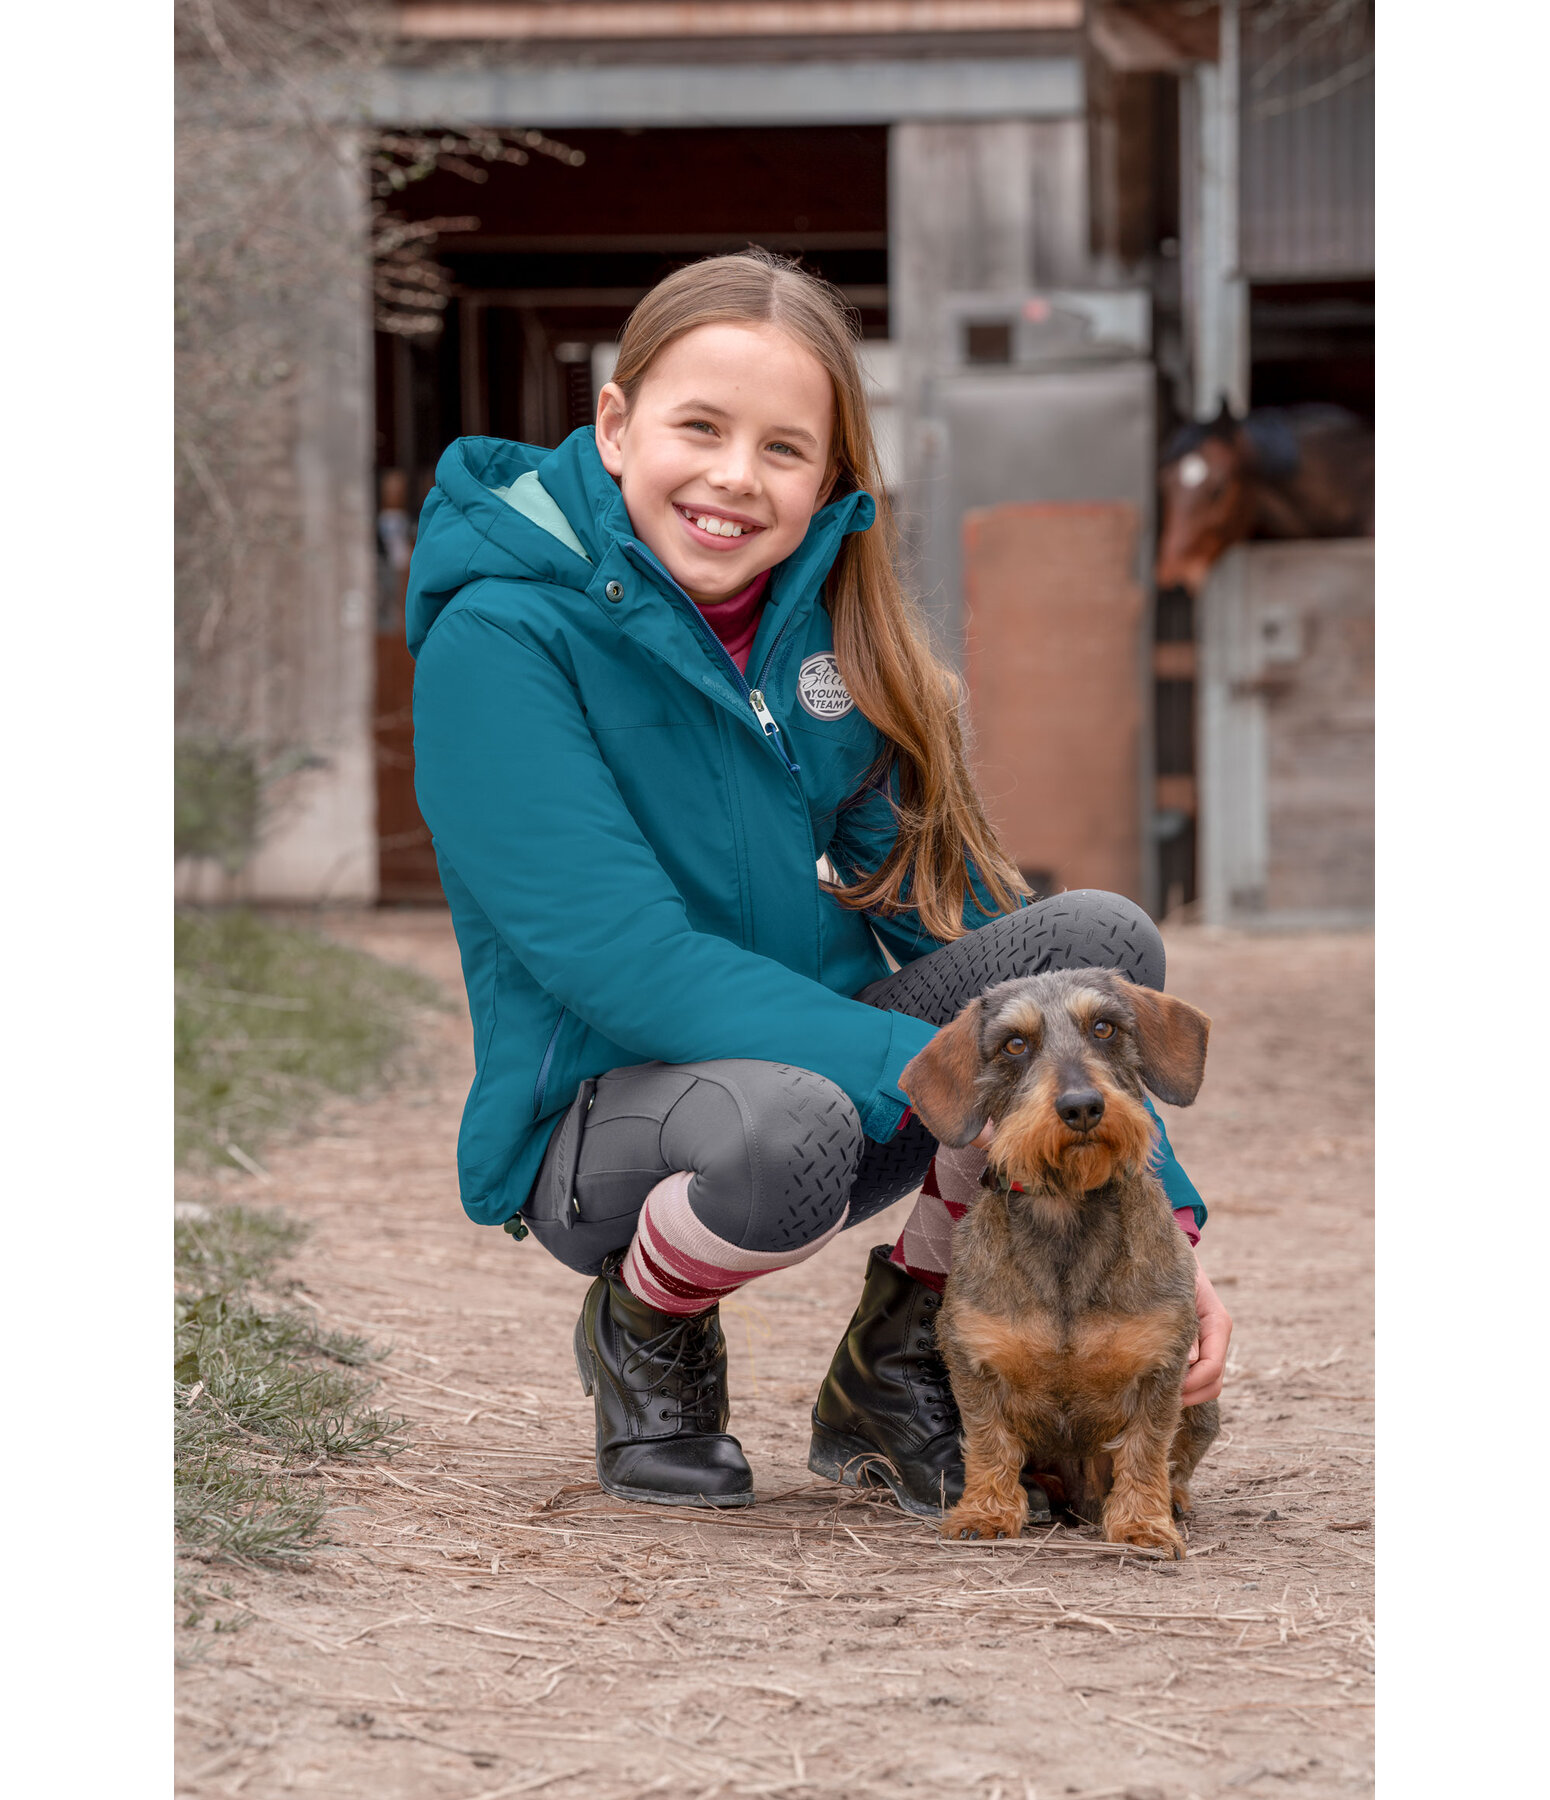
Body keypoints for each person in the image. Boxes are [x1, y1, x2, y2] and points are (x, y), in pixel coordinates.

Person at [407, 250, 1232, 1515]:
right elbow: (619, 960)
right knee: (795, 1124)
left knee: (1089, 948)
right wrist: (916, 1072)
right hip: (608, 1126)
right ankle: (648, 1323)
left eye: (784, 449)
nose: (735, 477)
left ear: (831, 480)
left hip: (815, 1068)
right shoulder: (498, 641)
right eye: (699, 427)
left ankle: (909, 1358)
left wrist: (1156, 1207)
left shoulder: (824, 641)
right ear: (615, 426)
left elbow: (949, 911)